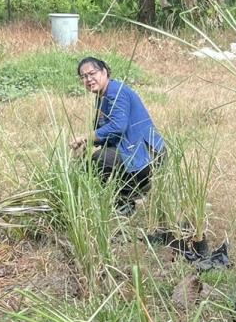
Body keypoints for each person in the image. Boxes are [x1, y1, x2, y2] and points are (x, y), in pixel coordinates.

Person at [69, 56, 165, 213]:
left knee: (99, 160)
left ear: (105, 72)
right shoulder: (103, 96)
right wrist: (87, 143)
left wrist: (87, 137)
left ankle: (126, 198)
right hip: (132, 151)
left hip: (147, 154)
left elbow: (117, 127)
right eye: (84, 76)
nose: (88, 79)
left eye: (92, 73)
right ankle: (120, 199)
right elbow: (106, 132)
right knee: (88, 165)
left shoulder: (116, 92)